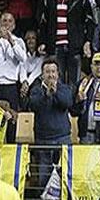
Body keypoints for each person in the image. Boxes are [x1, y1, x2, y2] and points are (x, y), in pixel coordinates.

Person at [38, 0, 93, 85]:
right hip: (55, 47)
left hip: (74, 47)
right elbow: (43, 22)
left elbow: (90, 22)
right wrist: (42, 41)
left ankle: (74, 105)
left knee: (75, 84)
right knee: (57, 83)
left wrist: (87, 41)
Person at [29, 58, 73, 186]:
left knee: (64, 176)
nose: (51, 75)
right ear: (42, 75)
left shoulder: (64, 88)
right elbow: (33, 105)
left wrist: (55, 93)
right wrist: (46, 95)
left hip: (62, 139)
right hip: (43, 140)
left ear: (58, 74)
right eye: (47, 72)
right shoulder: (36, 90)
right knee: (44, 177)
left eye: (53, 71)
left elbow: (67, 102)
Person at [0, 12, 27, 112]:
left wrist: (12, 42)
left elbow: (23, 58)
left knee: (11, 119)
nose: (7, 23)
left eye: (10, 21)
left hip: (10, 86)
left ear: (14, 25)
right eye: (4, 20)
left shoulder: (19, 41)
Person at [71, 52, 100, 144]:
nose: (99, 68)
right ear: (91, 66)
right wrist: (77, 100)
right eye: (96, 64)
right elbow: (73, 111)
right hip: (85, 132)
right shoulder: (82, 84)